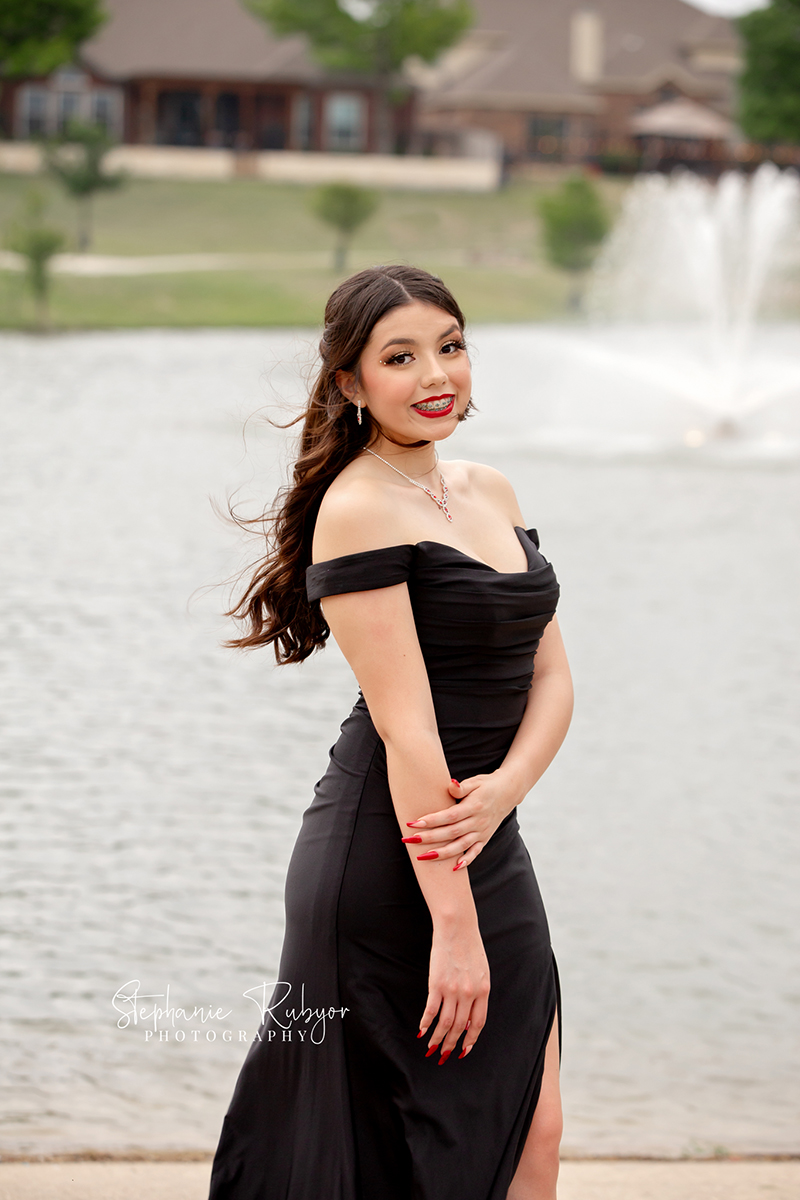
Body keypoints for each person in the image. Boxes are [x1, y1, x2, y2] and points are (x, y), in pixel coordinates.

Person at [208, 264, 574, 1200]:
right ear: (350, 382)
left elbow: (554, 674)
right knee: (373, 1152)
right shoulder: (359, 507)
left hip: (485, 832)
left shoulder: (489, 487)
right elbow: (409, 730)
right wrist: (453, 926)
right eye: (399, 356)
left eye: (449, 347)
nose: (434, 374)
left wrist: (504, 792)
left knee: (532, 1125)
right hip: (390, 853)